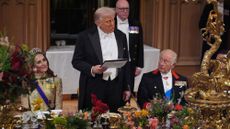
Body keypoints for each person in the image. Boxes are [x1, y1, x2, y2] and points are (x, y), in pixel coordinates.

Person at [72, 7, 131, 112]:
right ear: (98, 23)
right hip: (94, 85)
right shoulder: (85, 37)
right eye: (108, 21)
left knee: (116, 119)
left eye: (114, 20)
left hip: (116, 85)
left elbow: (126, 63)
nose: (113, 24)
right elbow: (76, 61)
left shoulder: (121, 36)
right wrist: (92, 69)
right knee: (93, 119)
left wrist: (127, 87)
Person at [115, 0, 144, 95]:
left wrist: (139, 65)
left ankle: (126, 108)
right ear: (116, 10)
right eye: (122, 9)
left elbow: (139, 44)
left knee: (128, 89)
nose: (125, 11)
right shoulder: (111, 23)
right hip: (115, 61)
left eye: (127, 9)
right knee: (115, 89)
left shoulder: (135, 23)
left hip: (131, 62)